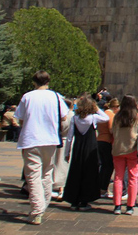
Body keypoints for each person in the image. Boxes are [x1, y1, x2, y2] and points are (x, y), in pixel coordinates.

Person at [14, 71, 70, 225]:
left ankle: (37, 210)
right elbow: (64, 116)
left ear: (34, 82)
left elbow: (20, 118)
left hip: (31, 139)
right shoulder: (56, 96)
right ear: (48, 81)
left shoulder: (28, 96)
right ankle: (43, 205)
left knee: (32, 175)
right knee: (46, 173)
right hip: (50, 139)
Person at [63, 94, 109, 210]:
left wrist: (67, 152)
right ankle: (84, 201)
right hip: (90, 149)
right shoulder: (93, 118)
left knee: (76, 172)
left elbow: (70, 137)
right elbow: (106, 118)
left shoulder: (75, 118)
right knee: (89, 173)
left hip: (78, 148)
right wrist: (97, 108)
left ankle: (74, 200)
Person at [111, 95, 138, 215]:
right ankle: (130, 206)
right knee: (133, 178)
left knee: (118, 178)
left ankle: (117, 205)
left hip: (118, 150)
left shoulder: (117, 117)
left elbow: (112, 131)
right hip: (133, 150)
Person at [52, 98, 75, 200]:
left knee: (56, 164)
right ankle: (62, 187)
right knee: (65, 164)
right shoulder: (73, 116)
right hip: (68, 140)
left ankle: (54, 185)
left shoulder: (58, 116)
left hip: (57, 140)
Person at [96, 97, 119, 198]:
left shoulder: (104, 113)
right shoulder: (110, 114)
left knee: (104, 166)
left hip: (100, 139)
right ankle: (103, 188)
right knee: (109, 166)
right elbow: (111, 129)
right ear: (115, 107)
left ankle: (100, 187)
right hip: (107, 141)